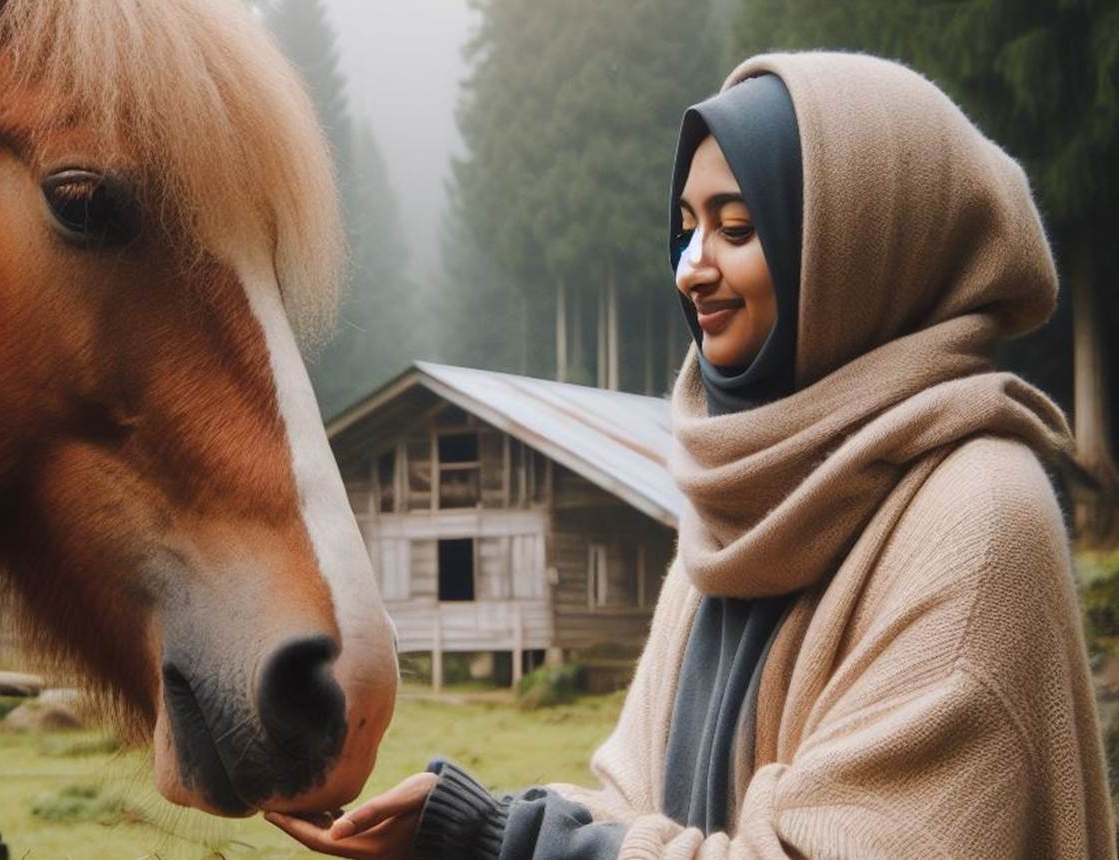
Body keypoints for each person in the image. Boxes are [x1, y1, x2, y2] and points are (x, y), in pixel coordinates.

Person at [267, 50, 1115, 859]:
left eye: (737, 228)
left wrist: (504, 840)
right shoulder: (734, 503)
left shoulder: (976, 515)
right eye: (686, 228)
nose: (690, 268)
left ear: (858, 251)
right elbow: (640, 810)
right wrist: (479, 820)